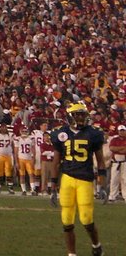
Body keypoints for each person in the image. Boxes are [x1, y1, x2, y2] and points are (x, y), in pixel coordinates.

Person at [51, 102, 105, 256]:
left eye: (83, 114)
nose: (81, 117)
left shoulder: (93, 133)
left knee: (86, 218)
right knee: (67, 220)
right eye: (78, 114)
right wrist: (53, 184)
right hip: (67, 178)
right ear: (70, 116)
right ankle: (71, 254)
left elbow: (100, 160)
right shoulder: (60, 133)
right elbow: (56, 161)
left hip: (85, 179)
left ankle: (96, 244)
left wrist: (101, 183)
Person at [107, 125, 126, 202]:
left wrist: (118, 149)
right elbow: (111, 148)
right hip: (115, 162)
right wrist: (122, 148)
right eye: (120, 131)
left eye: (123, 130)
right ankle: (112, 196)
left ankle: (125, 196)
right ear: (118, 131)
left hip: (124, 161)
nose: (122, 132)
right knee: (114, 179)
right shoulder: (114, 139)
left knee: (125, 179)